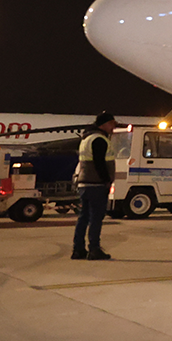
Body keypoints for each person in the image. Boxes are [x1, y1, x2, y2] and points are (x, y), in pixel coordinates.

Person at [72, 111, 118, 260]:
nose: (113, 127)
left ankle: (78, 249)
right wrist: (106, 180)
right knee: (96, 218)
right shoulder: (99, 140)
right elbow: (100, 163)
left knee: (83, 217)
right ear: (103, 124)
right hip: (96, 184)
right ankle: (94, 249)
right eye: (112, 124)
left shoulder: (86, 139)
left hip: (84, 183)